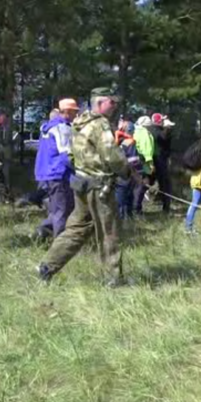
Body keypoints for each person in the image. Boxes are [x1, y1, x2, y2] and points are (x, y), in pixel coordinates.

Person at [38, 87, 135, 288]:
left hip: (81, 184)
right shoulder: (100, 125)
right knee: (109, 232)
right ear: (100, 103)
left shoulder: (79, 123)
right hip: (100, 187)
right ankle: (114, 279)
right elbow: (112, 156)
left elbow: (71, 154)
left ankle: (47, 266)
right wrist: (127, 171)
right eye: (111, 102)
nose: (115, 106)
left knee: (76, 229)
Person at [33, 100, 79, 239]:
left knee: (56, 209)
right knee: (63, 211)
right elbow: (68, 155)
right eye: (74, 111)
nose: (76, 115)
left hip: (46, 173)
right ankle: (60, 245)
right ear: (66, 111)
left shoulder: (47, 127)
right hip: (59, 173)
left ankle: (41, 232)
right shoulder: (62, 128)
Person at [115, 120, 142, 219]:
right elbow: (134, 160)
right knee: (128, 198)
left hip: (118, 173)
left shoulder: (117, 141)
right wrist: (138, 175)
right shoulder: (130, 142)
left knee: (119, 199)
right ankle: (127, 220)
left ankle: (120, 219)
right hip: (128, 174)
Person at [151, 112, 175, 212]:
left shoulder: (160, 130)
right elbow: (162, 137)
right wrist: (167, 128)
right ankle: (164, 206)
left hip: (161, 159)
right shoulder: (154, 130)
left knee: (165, 184)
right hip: (158, 160)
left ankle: (166, 206)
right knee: (164, 184)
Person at [132, 115, 156, 214]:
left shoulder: (135, 132)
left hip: (135, 162)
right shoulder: (145, 133)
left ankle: (135, 207)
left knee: (136, 186)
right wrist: (151, 164)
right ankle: (137, 209)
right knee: (142, 186)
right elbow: (147, 150)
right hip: (144, 163)